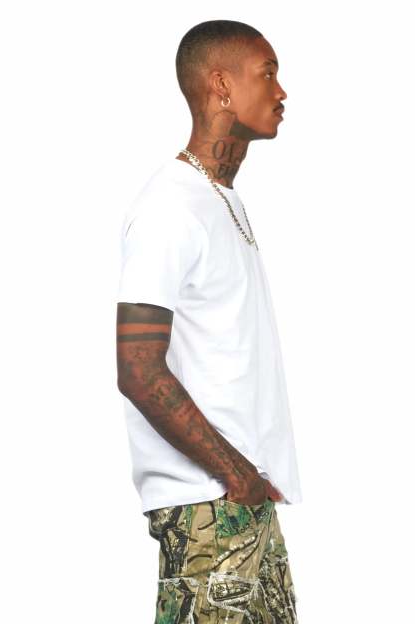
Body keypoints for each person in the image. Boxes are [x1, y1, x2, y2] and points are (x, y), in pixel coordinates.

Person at [116, 19, 302, 623]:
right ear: (221, 85)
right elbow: (138, 369)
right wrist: (235, 475)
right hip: (208, 512)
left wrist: (253, 482)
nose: (281, 91)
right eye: (267, 74)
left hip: (241, 506)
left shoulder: (220, 200)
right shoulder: (170, 207)